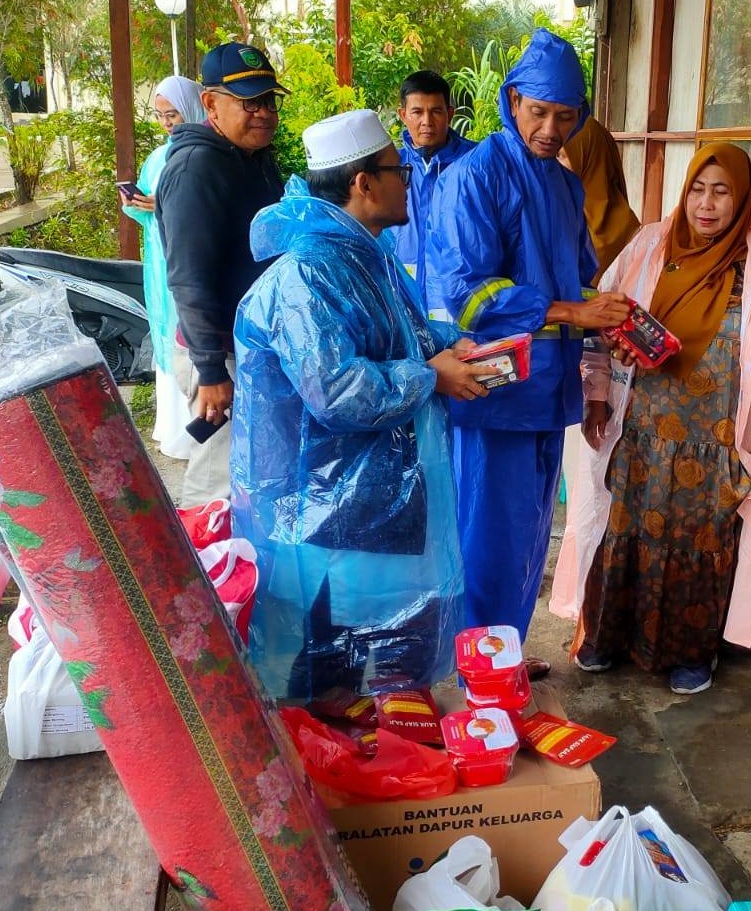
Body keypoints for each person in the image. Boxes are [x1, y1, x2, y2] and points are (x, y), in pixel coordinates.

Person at [231, 109, 496, 699]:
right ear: (363, 182)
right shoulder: (307, 274)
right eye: (397, 169)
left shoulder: (364, 255)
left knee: (393, 670)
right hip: (329, 516)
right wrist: (430, 378)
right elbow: (339, 392)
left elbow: (400, 334)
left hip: (377, 503)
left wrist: (454, 347)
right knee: (333, 669)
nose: (408, 179)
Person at [549, 143, 751, 695]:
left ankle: (690, 652)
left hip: (716, 438)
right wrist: (596, 395)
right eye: (698, 189)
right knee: (622, 525)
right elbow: (601, 323)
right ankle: (604, 636)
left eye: (722, 192)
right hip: (639, 430)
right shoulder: (649, 247)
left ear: (741, 199)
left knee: (700, 537)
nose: (707, 205)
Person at [425, 29, 631, 675]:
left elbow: (578, 275)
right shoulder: (474, 175)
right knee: (486, 535)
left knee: (528, 536)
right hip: (495, 392)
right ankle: (475, 664)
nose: (550, 127)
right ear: (512, 100)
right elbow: (467, 292)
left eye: (565, 115)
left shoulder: (566, 186)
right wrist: (571, 310)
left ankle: (503, 652)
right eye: (539, 111)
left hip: (549, 390)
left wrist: (615, 315)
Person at [157, 42, 287, 507]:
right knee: (217, 486)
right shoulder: (198, 168)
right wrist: (211, 370)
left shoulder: (251, 158)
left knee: (250, 479)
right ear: (210, 103)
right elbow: (189, 279)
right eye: (250, 102)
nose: (264, 113)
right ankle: (202, 577)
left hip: (245, 349)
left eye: (269, 101)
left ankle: (241, 573)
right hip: (216, 355)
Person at [120, 75, 204, 462]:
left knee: (188, 334)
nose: (168, 122)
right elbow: (144, 203)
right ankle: (172, 428)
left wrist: (164, 207)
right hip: (159, 256)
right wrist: (138, 203)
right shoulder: (159, 156)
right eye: (160, 116)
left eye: (173, 114)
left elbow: (201, 210)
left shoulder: (204, 154)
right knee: (165, 330)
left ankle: (195, 433)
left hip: (187, 256)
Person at [389, 70, 474, 296]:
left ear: (450, 114)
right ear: (403, 114)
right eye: (417, 112)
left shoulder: (475, 164)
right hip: (403, 296)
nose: (426, 121)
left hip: (460, 296)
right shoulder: (389, 167)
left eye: (436, 111)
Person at [561, 115, 640, 284]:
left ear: (589, 157)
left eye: (561, 156)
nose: (552, 165)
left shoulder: (634, 238)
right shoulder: (556, 215)